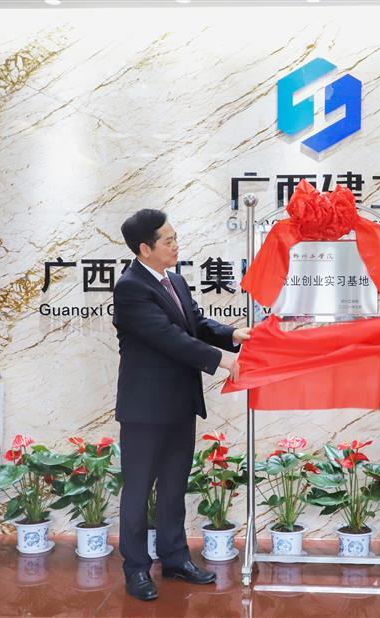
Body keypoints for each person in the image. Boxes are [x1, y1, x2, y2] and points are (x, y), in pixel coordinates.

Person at [113, 209, 251, 602]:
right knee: (138, 490)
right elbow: (168, 337)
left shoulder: (173, 280)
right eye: (168, 240)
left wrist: (233, 335)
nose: (176, 245)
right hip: (144, 409)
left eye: (175, 237)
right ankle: (136, 570)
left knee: (174, 486)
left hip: (179, 403)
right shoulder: (130, 287)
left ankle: (175, 558)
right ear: (145, 248)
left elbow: (196, 323)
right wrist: (224, 361)